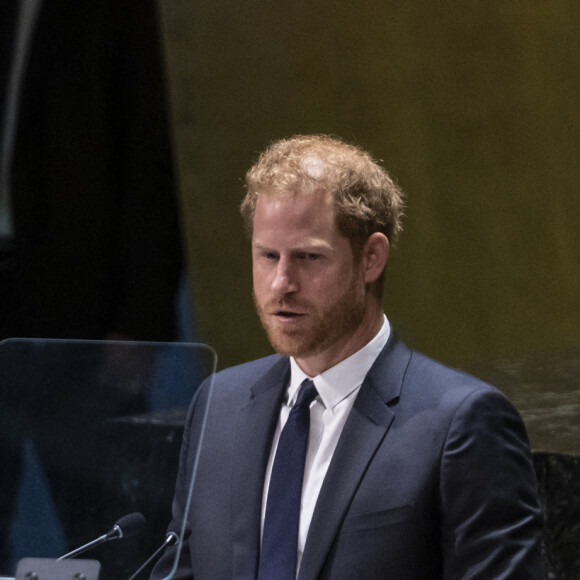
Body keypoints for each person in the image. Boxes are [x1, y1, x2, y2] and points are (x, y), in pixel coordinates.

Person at [151, 135, 543, 579]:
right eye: (267, 256)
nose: (281, 283)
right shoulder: (218, 404)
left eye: (308, 257)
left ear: (371, 258)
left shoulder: (461, 422)